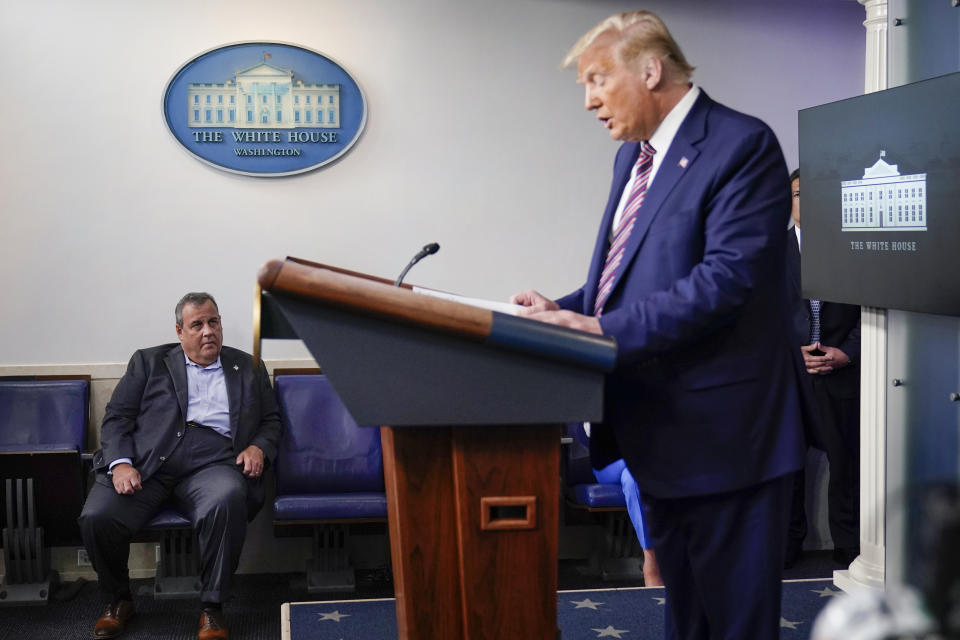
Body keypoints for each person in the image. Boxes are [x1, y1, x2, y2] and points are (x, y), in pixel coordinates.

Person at [511, 11, 809, 639]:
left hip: (728, 441)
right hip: (658, 435)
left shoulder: (741, 145)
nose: (589, 101)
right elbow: (624, 281)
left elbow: (724, 282)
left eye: (596, 80)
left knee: (736, 625)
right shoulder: (632, 159)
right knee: (686, 620)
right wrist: (560, 311)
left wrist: (596, 330)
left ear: (650, 69)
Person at [78, 292, 283, 640]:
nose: (208, 331)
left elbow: (272, 421)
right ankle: (118, 599)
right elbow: (116, 418)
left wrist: (257, 447)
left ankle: (212, 610)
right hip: (148, 466)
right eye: (197, 324)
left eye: (213, 322)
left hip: (213, 465)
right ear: (180, 331)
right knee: (97, 517)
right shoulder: (148, 362)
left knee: (227, 497)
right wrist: (121, 464)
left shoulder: (248, 366)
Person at [786, 169, 861, 568]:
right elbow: (756, 320)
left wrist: (847, 353)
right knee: (786, 469)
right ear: (789, 201)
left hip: (842, 376)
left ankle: (850, 552)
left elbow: (873, 315)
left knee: (846, 470)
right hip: (789, 379)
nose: (808, 203)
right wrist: (790, 354)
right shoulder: (768, 253)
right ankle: (786, 548)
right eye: (799, 194)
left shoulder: (854, 250)